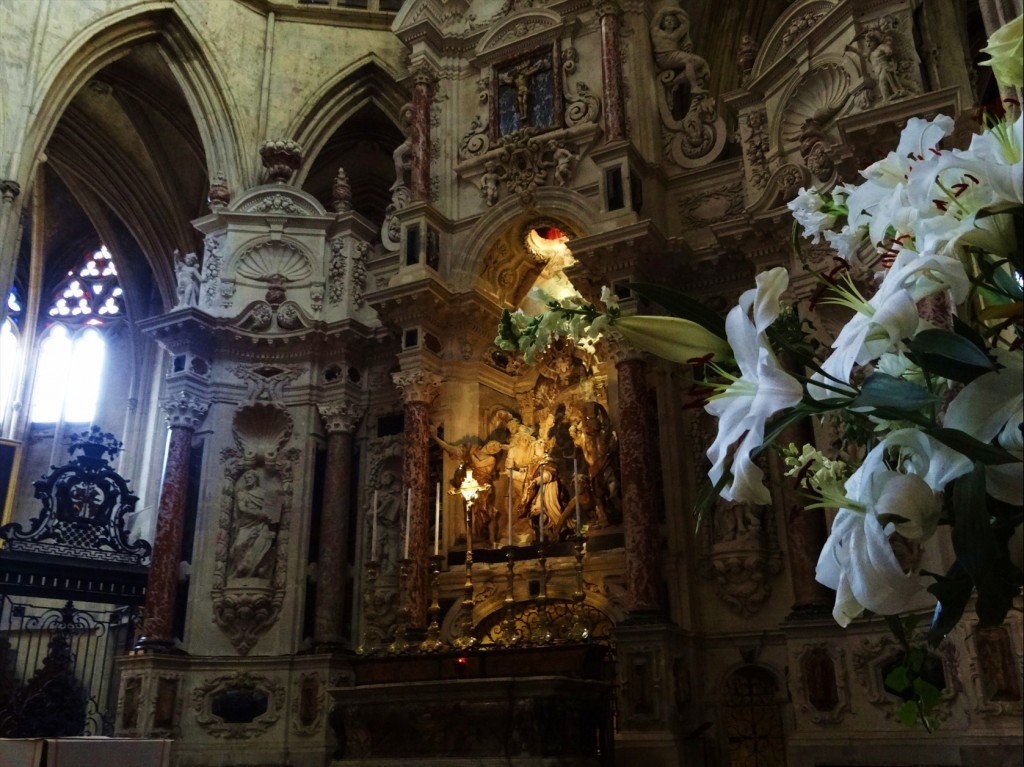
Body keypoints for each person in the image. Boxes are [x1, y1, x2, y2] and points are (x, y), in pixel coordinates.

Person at [229, 470, 276, 579]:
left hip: (261, 524)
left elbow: (272, 514)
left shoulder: (264, 493)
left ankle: (252, 571)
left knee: (259, 546)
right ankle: (241, 570)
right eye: (246, 478)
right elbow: (242, 508)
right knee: (238, 546)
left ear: (255, 479)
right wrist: (258, 513)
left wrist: (273, 508)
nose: (247, 480)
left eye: (249, 478)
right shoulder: (242, 493)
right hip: (246, 524)